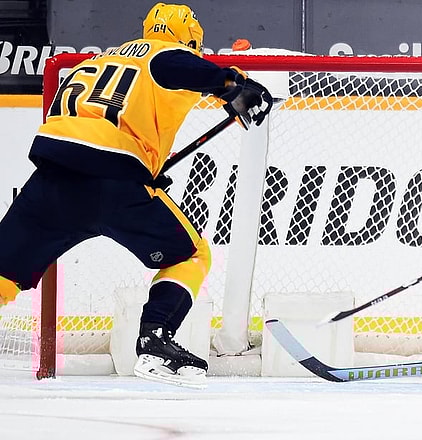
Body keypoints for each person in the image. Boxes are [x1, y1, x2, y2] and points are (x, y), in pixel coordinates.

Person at [0, 3, 272, 387]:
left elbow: (96, 120)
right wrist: (233, 85)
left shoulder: (93, 62)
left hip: (52, 179)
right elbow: (182, 67)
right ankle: (155, 339)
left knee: (4, 272)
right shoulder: (165, 54)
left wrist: (144, 169)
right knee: (192, 255)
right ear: (188, 40)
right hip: (114, 181)